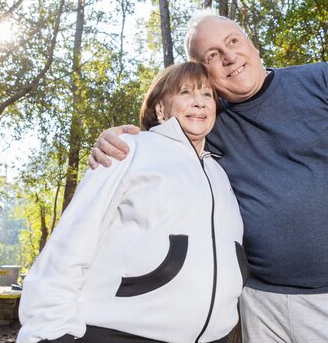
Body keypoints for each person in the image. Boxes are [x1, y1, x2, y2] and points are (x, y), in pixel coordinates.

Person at [89, 11, 328, 343]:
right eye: (213, 56)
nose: (229, 57)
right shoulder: (206, 124)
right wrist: (118, 137)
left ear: (251, 45)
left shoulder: (320, 81)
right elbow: (159, 138)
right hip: (261, 306)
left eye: (233, 42)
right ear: (206, 72)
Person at [18, 61, 249, 343]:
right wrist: (48, 331)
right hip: (119, 333)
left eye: (207, 95)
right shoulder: (126, 150)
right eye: (186, 93)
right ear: (160, 109)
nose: (199, 103)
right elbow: (72, 241)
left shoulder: (220, 173)